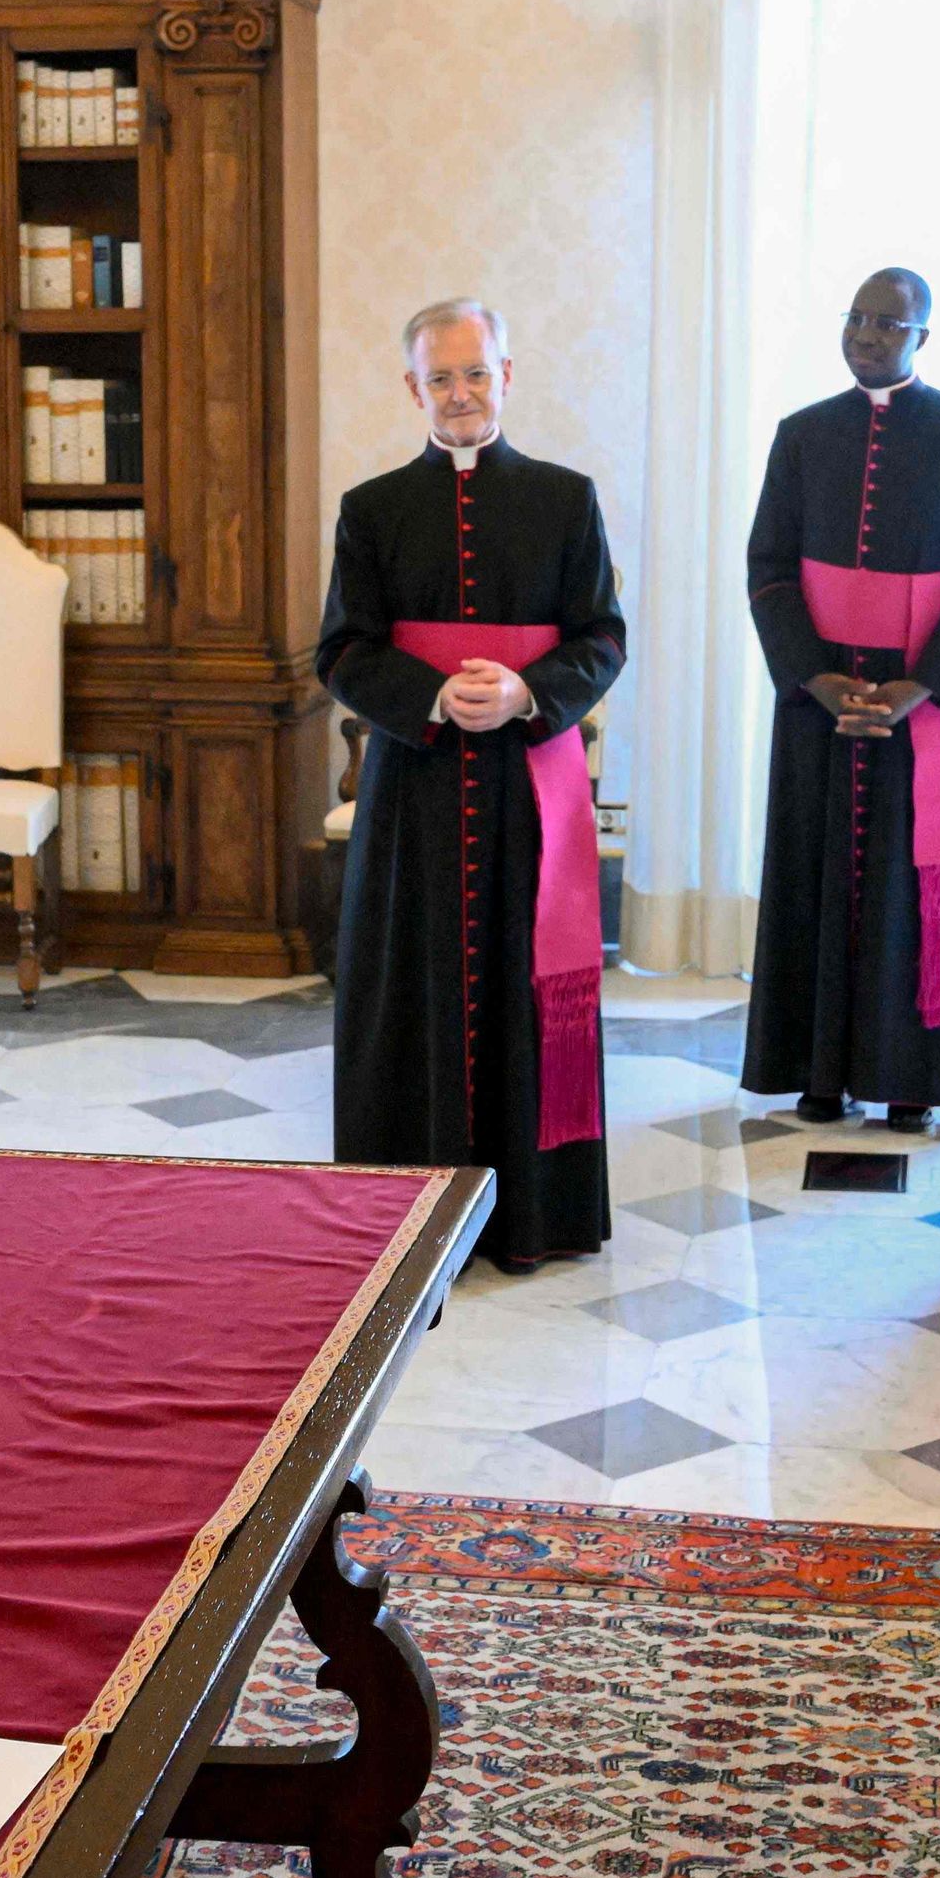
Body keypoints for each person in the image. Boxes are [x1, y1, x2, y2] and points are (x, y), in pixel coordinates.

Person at [317, 300, 627, 1269]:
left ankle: (533, 1217)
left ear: (507, 375)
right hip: (412, 794)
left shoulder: (566, 499)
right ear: (413, 388)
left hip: (529, 791)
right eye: (441, 378)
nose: (461, 394)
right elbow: (342, 650)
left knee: (525, 992)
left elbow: (602, 638)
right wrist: (433, 696)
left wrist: (527, 691)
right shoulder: (371, 510)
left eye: (476, 373)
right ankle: (401, 1213)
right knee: (407, 992)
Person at [745, 268, 940, 1131]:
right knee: (813, 875)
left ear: (920, 336)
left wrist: (921, 685)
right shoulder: (801, 434)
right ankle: (817, 1071)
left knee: (908, 891)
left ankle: (908, 1080)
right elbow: (768, 568)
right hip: (816, 699)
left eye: (887, 324)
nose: (865, 335)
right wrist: (816, 679)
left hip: (921, 704)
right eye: (856, 318)